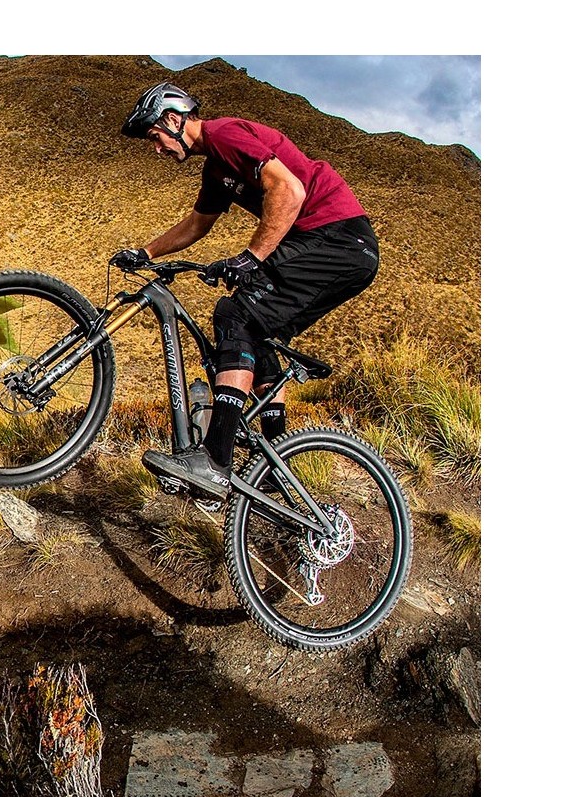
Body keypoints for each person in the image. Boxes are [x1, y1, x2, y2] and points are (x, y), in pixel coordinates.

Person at [109, 82, 380, 501]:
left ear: (173, 119)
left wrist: (252, 257)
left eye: (155, 137)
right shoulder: (215, 168)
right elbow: (197, 225)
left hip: (336, 239)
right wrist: (144, 252)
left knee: (233, 314)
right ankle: (278, 463)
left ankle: (215, 461)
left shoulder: (224, 136)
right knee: (256, 333)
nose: (157, 149)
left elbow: (289, 190)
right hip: (331, 245)